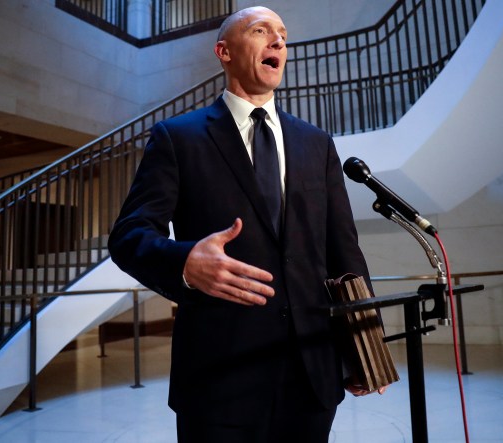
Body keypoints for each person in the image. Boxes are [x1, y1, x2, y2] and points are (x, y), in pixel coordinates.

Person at [108, 6, 385, 442]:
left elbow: (344, 251)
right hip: (220, 379)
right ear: (225, 51)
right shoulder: (178, 138)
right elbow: (128, 236)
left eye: (283, 35)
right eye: (261, 31)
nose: (278, 42)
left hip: (311, 374)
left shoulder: (317, 143)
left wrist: (366, 349)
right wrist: (185, 262)